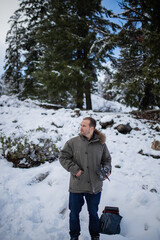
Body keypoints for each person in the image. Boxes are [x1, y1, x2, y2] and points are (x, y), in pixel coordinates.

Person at [59, 117, 112, 240]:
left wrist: (107, 170)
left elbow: (107, 160)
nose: (81, 127)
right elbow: (63, 157)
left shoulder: (101, 144)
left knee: (93, 213)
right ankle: (74, 236)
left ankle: (95, 235)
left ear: (91, 128)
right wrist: (75, 170)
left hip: (95, 185)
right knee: (74, 214)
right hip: (77, 184)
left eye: (84, 125)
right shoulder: (72, 143)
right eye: (81, 125)